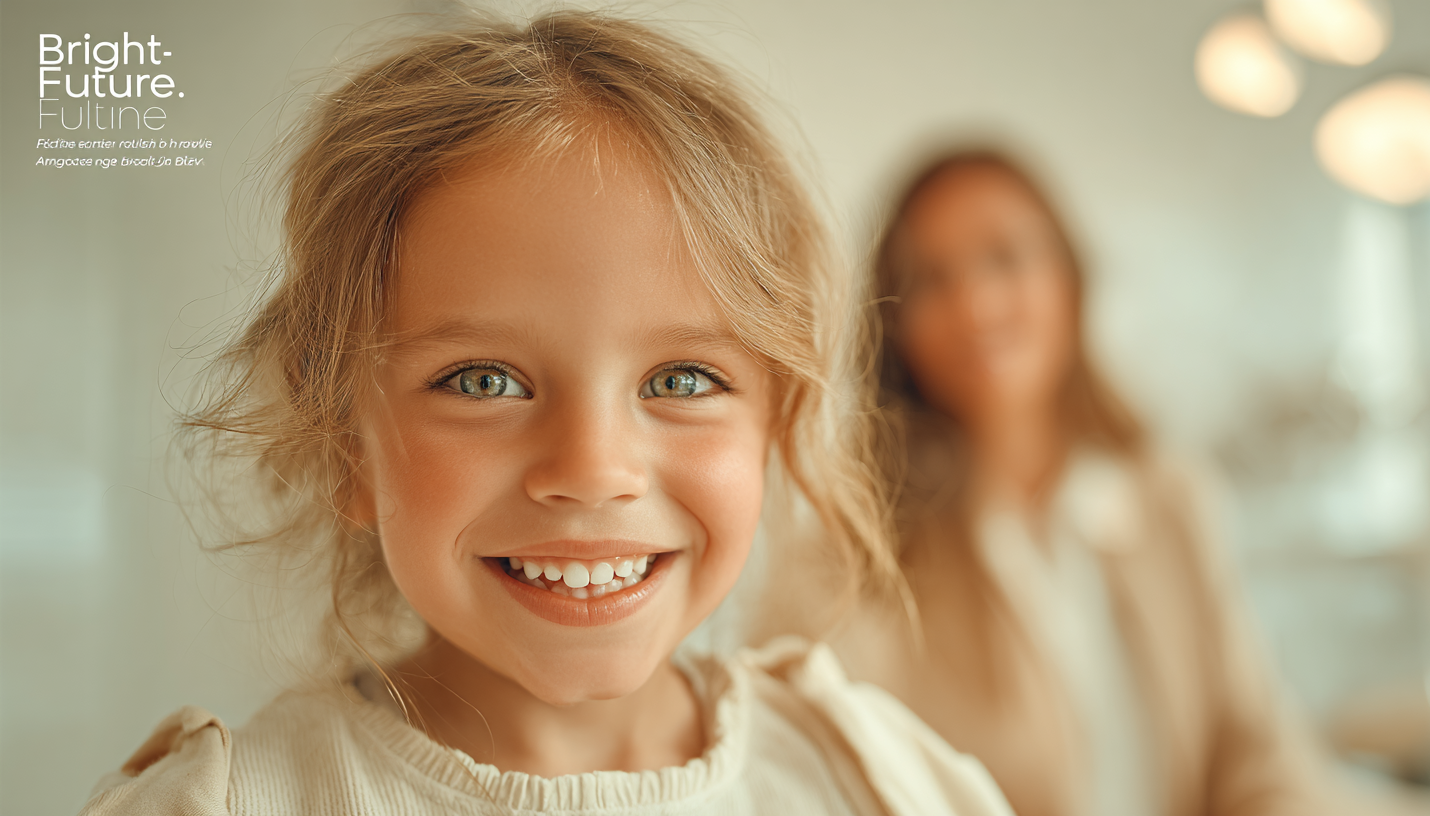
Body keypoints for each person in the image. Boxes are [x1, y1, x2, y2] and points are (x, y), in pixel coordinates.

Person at [76, 16, 1013, 816]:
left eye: (682, 380)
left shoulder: (881, 783)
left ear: (775, 422)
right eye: (483, 381)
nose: (593, 467)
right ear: (344, 445)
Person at [815, 149, 1347, 816]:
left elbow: (1257, 747)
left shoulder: (1170, 498)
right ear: (895, 323)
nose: (976, 304)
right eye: (930, 279)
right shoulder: (858, 537)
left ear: (1071, 279)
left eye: (1004, 258)